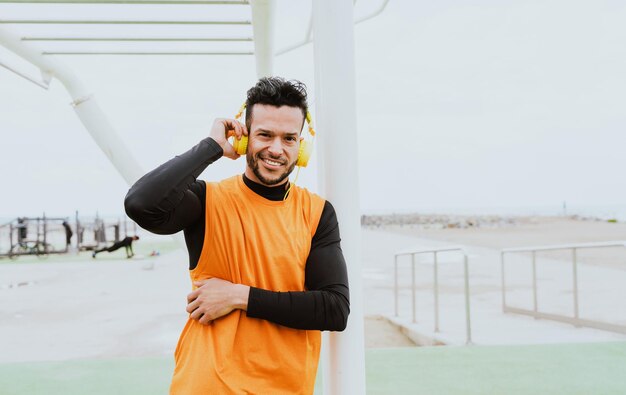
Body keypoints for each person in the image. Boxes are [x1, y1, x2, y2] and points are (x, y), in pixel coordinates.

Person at [124, 77, 350, 394]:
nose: (276, 149)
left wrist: (238, 296)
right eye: (264, 135)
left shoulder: (316, 213)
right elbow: (141, 204)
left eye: (288, 139)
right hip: (207, 385)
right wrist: (211, 148)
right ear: (244, 139)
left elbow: (334, 309)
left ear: (301, 147)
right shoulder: (206, 201)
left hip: (285, 387)